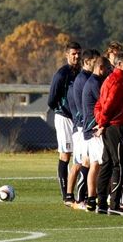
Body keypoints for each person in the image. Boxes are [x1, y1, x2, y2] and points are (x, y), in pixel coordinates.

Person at [94, 51, 123, 215]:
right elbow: (108, 106)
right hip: (117, 127)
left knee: (107, 164)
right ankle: (114, 205)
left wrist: (101, 122)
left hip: (111, 126)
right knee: (119, 165)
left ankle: (102, 204)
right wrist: (102, 123)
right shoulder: (118, 81)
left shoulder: (110, 80)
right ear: (119, 64)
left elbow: (99, 105)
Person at [48, 41, 82, 206]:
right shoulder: (61, 74)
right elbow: (51, 100)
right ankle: (66, 195)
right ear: (67, 55)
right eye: (73, 53)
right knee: (66, 155)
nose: (76, 56)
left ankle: (80, 193)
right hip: (64, 119)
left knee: (81, 156)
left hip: (78, 119)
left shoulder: (81, 72)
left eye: (78, 53)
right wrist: (64, 111)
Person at [70, 48, 100, 209]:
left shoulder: (88, 78)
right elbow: (83, 106)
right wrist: (88, 122)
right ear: (88, 62)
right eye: (95, 61)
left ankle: (85, 197)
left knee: (88, 162)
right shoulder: (83, 79)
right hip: (83, 127)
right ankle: (79, 199)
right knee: (85, 162)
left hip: (86, 125)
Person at [81, 55, 111, 212]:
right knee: (103, 165)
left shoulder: (93, 81)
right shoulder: (94, 83)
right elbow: (106, 103)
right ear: (100, 68)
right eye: (107, 69)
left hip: (91, 130)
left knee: (95, 165)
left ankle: (92, 200)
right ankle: (100, 199)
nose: (109, 72)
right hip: (95, 130)